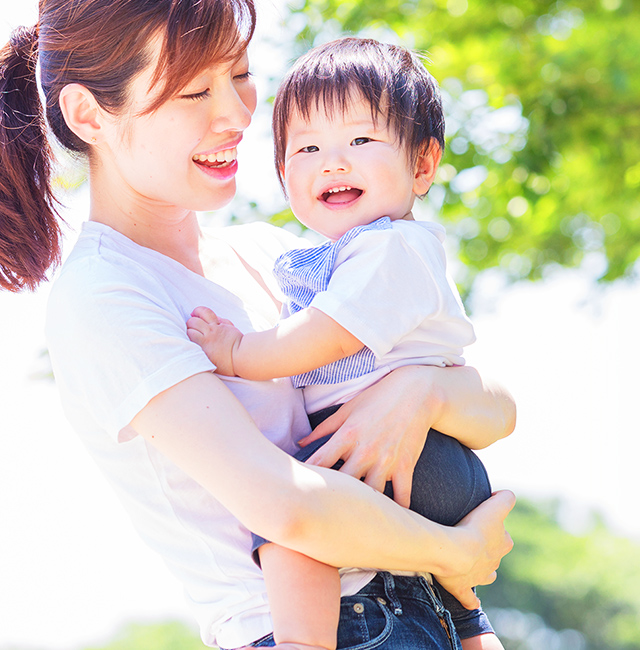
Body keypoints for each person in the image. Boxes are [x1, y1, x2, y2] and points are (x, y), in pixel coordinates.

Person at [0, 2, 516, 649]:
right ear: (88, 115)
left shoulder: (276, 256)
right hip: (314, 629)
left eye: (240, 75)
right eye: (195, 91)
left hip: (422, 608)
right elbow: (287, 507)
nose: (239, 114)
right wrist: (454, 552)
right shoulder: (106, 295)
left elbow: (496, 410)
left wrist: (425, 392)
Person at [187, 37, 504, 650]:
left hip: (415, 455)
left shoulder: (392, 248)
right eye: (307, 148)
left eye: (360, 141)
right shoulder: (350, 254)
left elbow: (324, 337)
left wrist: (234, 352)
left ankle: (304, 643)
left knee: (289, 527)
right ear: (283, 176)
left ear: (421, 163)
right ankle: (471, 627)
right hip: (422, 454)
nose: (332, 162)